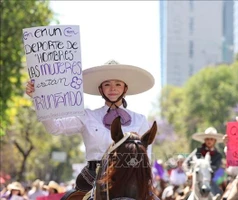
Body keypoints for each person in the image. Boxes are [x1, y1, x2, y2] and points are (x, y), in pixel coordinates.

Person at [25, 60, 155, 193]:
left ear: (125, 88)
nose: (113, 88)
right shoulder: (87, 116)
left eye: (118, 84)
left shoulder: (140, 120)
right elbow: (55, 128)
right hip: (92, 178)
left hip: (130, 179)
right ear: (100, 89)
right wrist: (38, 99)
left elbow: (146, 157)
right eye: (107, 84)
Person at [184, 127, 224, 196]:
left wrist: (205, 170)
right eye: (207, 139)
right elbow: (186, 163)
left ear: (215, 141)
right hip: (195, 179)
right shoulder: (198, 151)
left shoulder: (218, 155)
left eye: (211, 139)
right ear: (204, 140)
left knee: (217, 195)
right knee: (185, 194)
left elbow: (215, 168)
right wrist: (188, 172)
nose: (209, 141)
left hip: (209, 180)